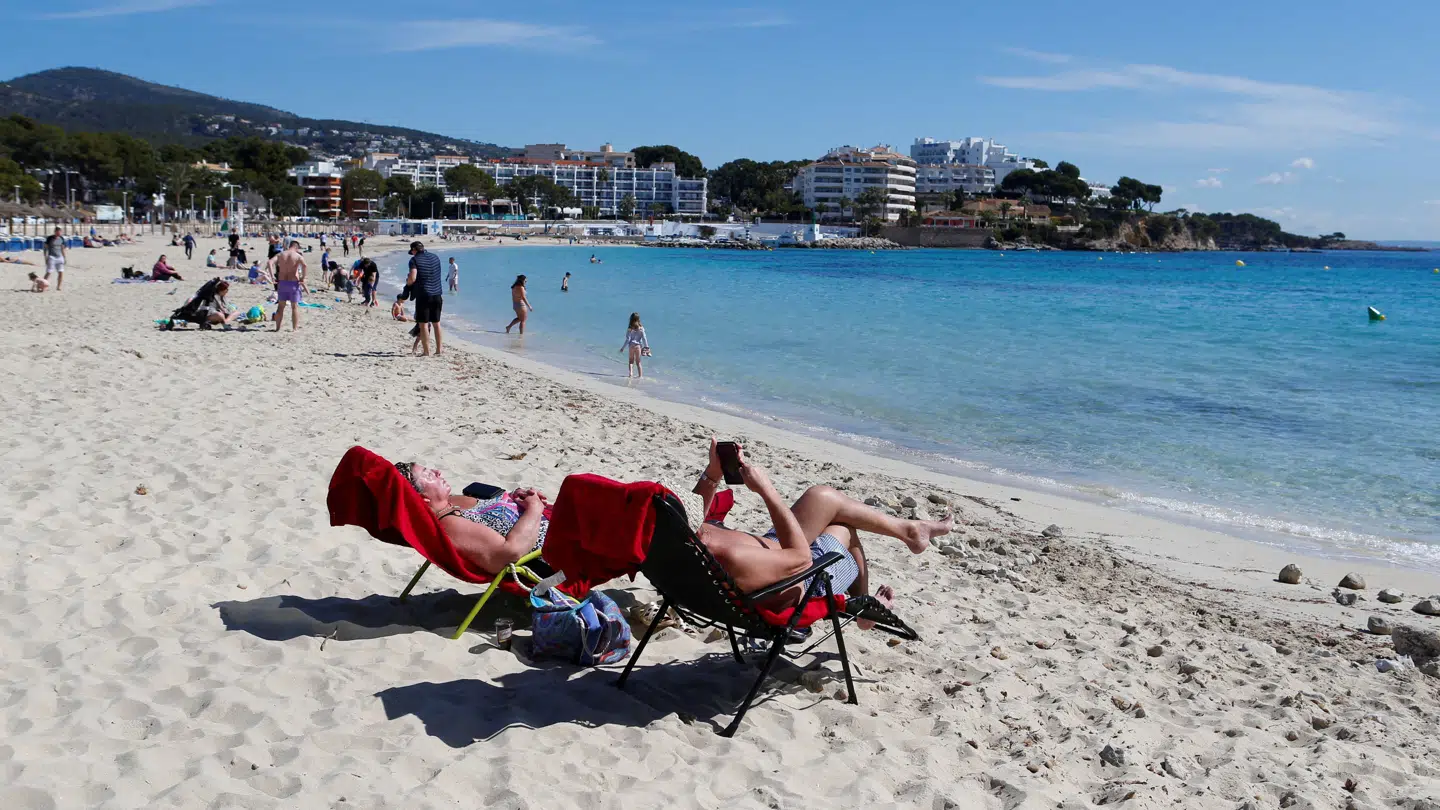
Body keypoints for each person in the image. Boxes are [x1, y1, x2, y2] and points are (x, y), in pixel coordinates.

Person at [691, 439, 951, 619]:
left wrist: (713, 473)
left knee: (820, 496)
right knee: (845, 529)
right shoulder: (728, 557)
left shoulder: (683, 540)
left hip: (772, 553)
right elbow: (801, 560)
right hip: (802, 578)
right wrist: (766, 491)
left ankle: (910, 532)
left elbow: (689, 517)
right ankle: (864, 609)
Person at [395, 462, 552, 575]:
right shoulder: (450, 524)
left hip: (554, 522)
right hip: (560, 553)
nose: (437, 472)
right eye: (428, 475)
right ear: (423, 499)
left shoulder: (451, 502)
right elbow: (510, 552)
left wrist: (513, 497)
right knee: (573, 485)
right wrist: (535, 508)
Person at [404, 240, 444, 355]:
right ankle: (439, 350)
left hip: (423, 295)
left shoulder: (414, 260)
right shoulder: (435, 257)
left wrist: (408, 284)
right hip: (437, 294)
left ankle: (426, 352)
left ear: (414, 250)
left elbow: (413, 278)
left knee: (424, 324)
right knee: (437, 323)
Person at [273, 240, 307, 332]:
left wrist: (272, 276)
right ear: (296, 247)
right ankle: (294, 328)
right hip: (293, 283)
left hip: (282, 282)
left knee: (280, 306)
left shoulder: (281, 254)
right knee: (294, 307)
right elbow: (304, 266)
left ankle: (277, 328)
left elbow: (269, 262)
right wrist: (303, 278)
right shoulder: (298, 256)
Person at [619, 312, 649, 378]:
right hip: (638, 346)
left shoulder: (630, 328)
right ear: (638, 319)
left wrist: (623, 348)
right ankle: (640, 376)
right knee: (638, 362)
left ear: (631, 319)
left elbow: (628, 339)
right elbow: (644, 338)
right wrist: (647, 347)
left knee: (631, 361)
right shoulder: (641, 328)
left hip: (631, 346)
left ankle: (631, 373)